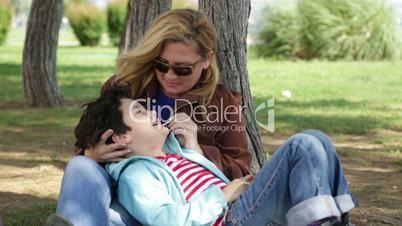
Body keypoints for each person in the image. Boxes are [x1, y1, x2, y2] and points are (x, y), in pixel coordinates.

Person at [54, 9, 251, 226]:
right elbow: (91, 131)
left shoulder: (223, 102)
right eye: (161, 64)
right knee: (81, 166)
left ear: (207, 60)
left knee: (110, 219)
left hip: (181, 206)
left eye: (183, 69)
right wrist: (91, 152)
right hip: (125, 194)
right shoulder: (122, 87)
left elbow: (241, 170)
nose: (169, 76)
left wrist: (197, 151)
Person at [77, 85, 356, 226]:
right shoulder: (137, 174)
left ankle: (337, 219)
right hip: (228, 218)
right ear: (121, 137)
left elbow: (205, 180)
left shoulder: (177, 153)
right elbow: (167, 220)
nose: (152, 112)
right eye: (140, 112)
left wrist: (193, 147)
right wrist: (221, 196)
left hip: (238, 207)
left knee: (318, 140)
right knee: (301, 145)